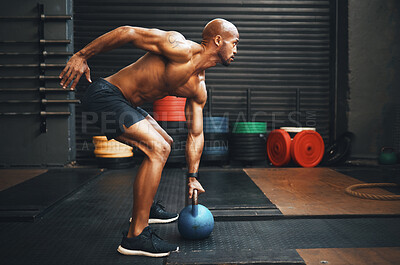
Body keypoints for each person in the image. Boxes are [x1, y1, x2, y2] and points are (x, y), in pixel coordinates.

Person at [59, 18, 239, 257]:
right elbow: (128, 32)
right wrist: (82, 55)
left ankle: (146, 208)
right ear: (218, 41)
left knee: (167, 142)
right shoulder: (179, 47)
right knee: (158, 149)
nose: (236, 50)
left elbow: (195, 133)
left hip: (125, 105)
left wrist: (193, 176)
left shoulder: (198, 86)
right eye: (234, 43)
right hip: (105, 95)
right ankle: (135, 237)